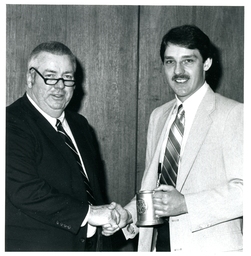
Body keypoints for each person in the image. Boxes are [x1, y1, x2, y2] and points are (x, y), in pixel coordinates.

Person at [103, 25, 243, 252]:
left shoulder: (234, 114)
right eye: (170, 62)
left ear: (206, 63)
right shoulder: (158, 116)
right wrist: (127, 215)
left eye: (188, 60)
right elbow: (154, 191)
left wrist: (186, 204)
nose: (178, 71)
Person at [5, 41, 130, 251]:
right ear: (30, 78)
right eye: (51, 76)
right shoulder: (10, 123)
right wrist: (90, 214)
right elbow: (24, 190)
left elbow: (90, 190)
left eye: (68, 77)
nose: (60, 86)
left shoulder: (80, 125)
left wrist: (110, 219)